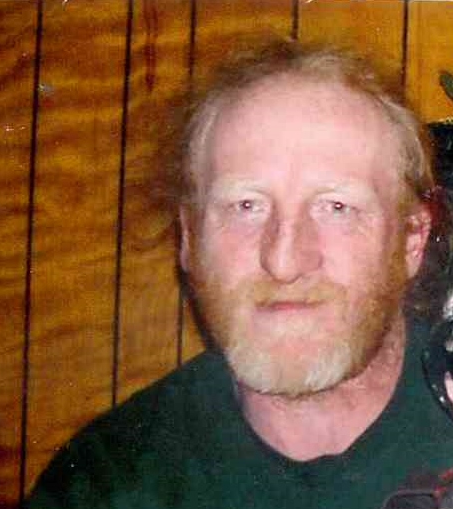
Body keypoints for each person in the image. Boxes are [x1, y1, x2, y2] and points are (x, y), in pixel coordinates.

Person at [27, 41, 453, 509]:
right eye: (245, 206)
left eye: (336, 207)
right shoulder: (106, 486)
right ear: (189, 238)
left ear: (412, 239)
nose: (283, 262)